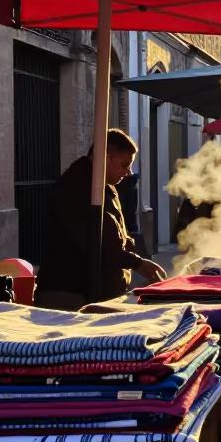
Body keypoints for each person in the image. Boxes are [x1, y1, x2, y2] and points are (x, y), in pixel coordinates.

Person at [35, 128, 166, 309]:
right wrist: (138, 263)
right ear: (106, 156)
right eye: (125, 164)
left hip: (92, 291)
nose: (128, 172)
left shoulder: (104, 186)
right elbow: (97, 239)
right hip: (71, 294)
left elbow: (115, 234)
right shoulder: (77, 187)